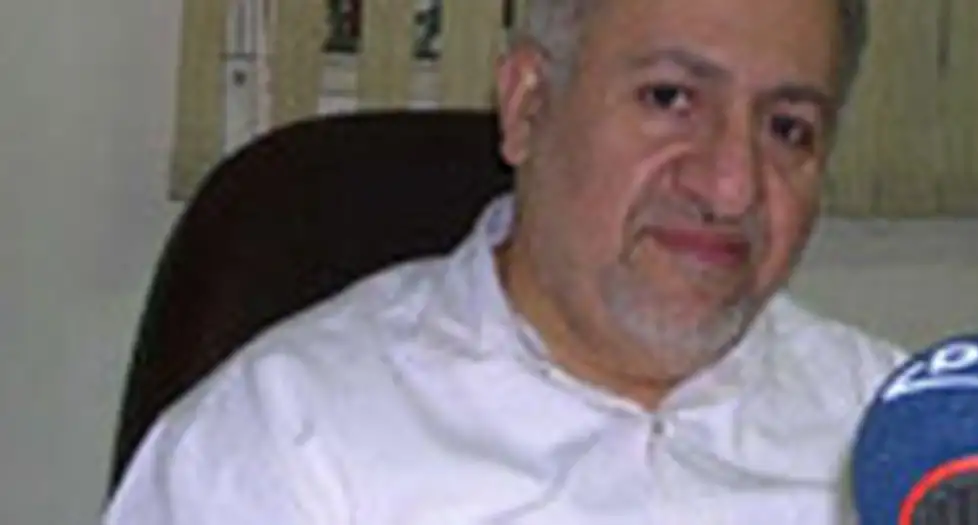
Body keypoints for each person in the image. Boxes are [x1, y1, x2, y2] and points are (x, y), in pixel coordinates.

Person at [104, 0, 907, 523]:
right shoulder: (284, 442)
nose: (732, 187)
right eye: (669, 98)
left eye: (788, 129)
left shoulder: (901, 432)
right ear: (527, 106)